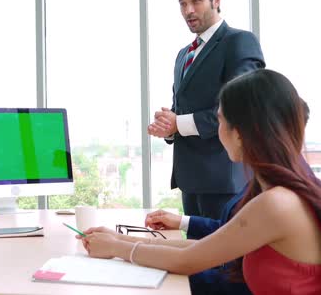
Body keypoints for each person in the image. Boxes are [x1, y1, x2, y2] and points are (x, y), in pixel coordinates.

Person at [80, 69, 321, 294]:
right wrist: (118, 240)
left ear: (238, 133)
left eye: (220, 121)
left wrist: (118, 248)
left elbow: (189, 260)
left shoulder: (277, 203)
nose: (218, 131)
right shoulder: (277, 190)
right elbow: (202, 248)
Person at [147, 0, 265, 219]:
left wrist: (178, 122)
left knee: (224, 256)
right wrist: (169, 126)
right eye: (182, 3)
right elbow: (181, 110)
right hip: (190, 181)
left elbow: (240, 109)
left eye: (196, 1)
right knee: (197, 255)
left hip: (226, 181)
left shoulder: (240, 42)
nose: (188, 10)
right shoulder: (183, 55)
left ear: (216, 0)